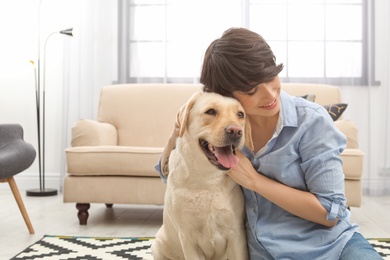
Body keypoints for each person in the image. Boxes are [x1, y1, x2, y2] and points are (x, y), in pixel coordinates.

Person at [155, 28, 382, 259]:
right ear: (225, 93)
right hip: (268, 252)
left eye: (270, 76)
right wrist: (176, 136)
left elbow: (330, 213)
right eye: (251, 90)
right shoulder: (223, 133)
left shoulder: (311, 121)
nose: (269, 95)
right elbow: (177, 177)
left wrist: (253, 180)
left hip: (332, 246)